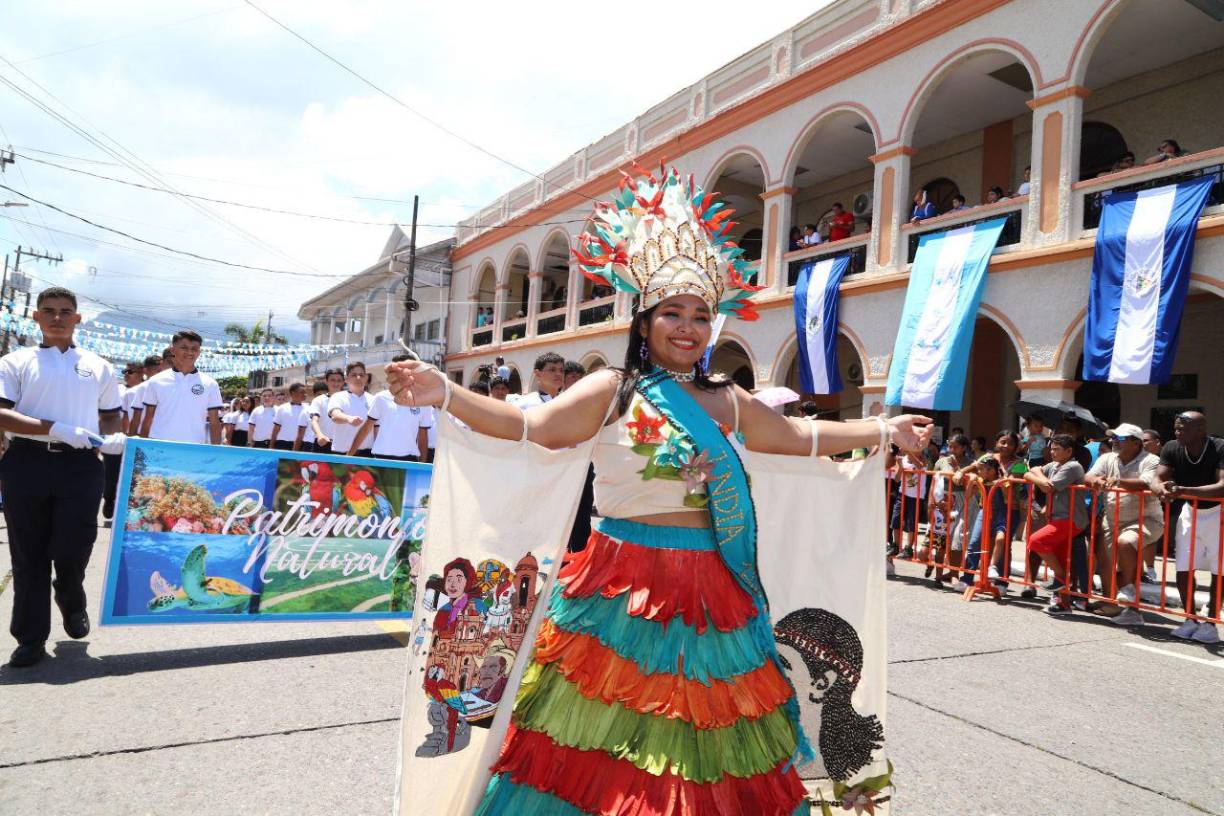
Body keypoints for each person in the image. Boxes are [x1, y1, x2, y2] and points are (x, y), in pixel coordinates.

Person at [384, 166, 931, 812]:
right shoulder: (611, 390)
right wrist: (445, 392)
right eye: (672, 312)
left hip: (713, 599)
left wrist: (883, 429)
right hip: (620, 595)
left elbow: (795, 438)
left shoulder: (725, 399)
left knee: (708, 759)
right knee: (607, 758)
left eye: (701, 315)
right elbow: (532, 428)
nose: (688, 327)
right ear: (643, 320)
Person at [0, 286, 124, 667]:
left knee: (73, 548)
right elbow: (2, 414)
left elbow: (110, 413)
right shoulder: (15, 361)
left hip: (82, 465)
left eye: (65, 311)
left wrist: (114, 434)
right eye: (49, 310)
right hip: (27, 462)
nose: (57, 317)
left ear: (77, 318)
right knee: (29, 555)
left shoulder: (98, 365)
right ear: (35, 317)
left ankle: (70, 597)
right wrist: (54, 428)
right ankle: (30, 638)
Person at [1153, 411, 1223, 643]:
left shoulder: (1219, 447)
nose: (1177, 432)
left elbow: (1222, 486)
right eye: (1176, 428)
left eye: (1183, 428)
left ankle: (1211, 623)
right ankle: (1190, 618)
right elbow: (1157, 477)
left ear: (1200, 430)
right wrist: (1160, 489)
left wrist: (1183, 490)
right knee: (1183, 565)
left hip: (1218, 514)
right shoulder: (1172, 447)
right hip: (1190, 512)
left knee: (1219, 570)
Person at [1083, 423, 1163, 626]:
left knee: (1127, 543)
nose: (1114, 442)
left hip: (1146, 519)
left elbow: (1147, 483)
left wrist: (1115, 481)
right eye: (1114, 438)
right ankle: (1117, 604)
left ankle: (1128, 596)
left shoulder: (1152, 460)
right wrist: (1096, 480)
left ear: (1136, 443)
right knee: (1107, 563)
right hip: (1113, 519)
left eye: (1120, 439)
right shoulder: (1107, 457)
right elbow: (1088, 475)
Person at [1023, 435, 1088, 615]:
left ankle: (1060, 578)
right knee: (1060, 559)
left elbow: (1048, 487)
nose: (1052, 452)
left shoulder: (1072, 466)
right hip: (1056, 518)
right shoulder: (1054, 465)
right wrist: (1036, 475)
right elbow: (1031, 471)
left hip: (1070, 519)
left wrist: (1035, 475)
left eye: (1057, 449)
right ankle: (1063, 604)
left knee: (1035, 541)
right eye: (1051, 449)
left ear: (1069, 451)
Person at [139, 331, 222, 445]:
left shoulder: (210, 384)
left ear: (199, 352)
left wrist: (216, 453)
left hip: (193, 449)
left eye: (194, 349)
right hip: (158, 447)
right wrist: (141, 450)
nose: (189, 352)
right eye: (184, 347)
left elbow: (214, 422)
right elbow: (148, 419)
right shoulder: (155, 381)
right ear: (173, 350)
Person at [351, 354, 432, 460]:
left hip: (409, 459)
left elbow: (423, 438)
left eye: (404, 371)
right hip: (381, 458)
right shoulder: (381, 397)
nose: (400, 375)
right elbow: (366, 428)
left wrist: (422, 465)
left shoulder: (423, 401)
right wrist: (349, 456)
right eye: (395, 372)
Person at [329, 361, 373, 457]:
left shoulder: (373, 400)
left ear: (366, 378)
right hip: (341, 453)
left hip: (367, 453)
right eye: (354, 375)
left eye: (361, 375)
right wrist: (348, 419)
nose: (358, 378)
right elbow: (335, 415)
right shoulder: (338, 397)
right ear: (346, 379)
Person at [125, 352, 169, 437]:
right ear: (146, 370)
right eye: (157, 371)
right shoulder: (142, 388)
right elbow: (135, 418)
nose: (160, 373)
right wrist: (131, 440)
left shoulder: (165, 387)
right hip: (141, 436)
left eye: (161, 370)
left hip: (158, 436)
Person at [309, 368, 344, 454]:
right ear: (326, 381)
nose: (336, 383)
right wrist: (319, 435)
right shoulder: (318, 400)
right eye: (332, 380)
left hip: (343, 445)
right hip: (322, 444)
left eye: (339, 380)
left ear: (343, 382)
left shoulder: (349, 399)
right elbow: (314, 421)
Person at [271, 382, 308, 451]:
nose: (304, 394)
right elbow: (276, 429)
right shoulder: (282, 408)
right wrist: (271, 447)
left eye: (305, 392)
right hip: (282, 445)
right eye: (302, 392)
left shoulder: (308, 408)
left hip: (301, 445)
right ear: (293, 393)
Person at [297, 381, 327, 453]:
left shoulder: (332, 411)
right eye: (319, 395)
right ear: (314, 395)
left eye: (324, 395)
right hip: (308, 446)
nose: (321, 398)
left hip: (326, 445)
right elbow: (300, 434)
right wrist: (295, 453)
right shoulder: (306, 410)